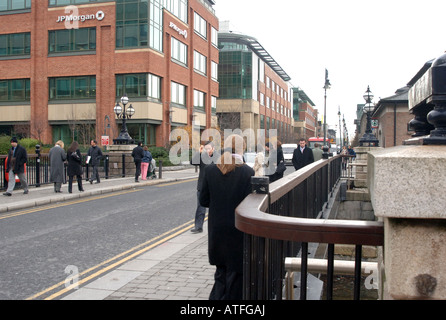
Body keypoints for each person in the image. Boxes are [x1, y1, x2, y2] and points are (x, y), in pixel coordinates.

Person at [199, 134, 254, 300]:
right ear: (242, 148)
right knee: (235, 273)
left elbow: (203, 200)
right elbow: (249, 204)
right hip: (237, 229)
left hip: (217, 228)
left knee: (221, 270)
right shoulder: (247, 172)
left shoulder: (210, 170)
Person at [190, 141, 216, 234]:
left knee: (215, 208)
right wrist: (199, 152)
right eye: (205, 148)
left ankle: (214, 227)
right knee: (200, 207)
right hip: (202, 186)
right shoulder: (202, 157)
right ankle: (198, 227)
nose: (207, 150)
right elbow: (192, 162)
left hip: (214, 186)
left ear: (213, 148)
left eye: (209, 148)